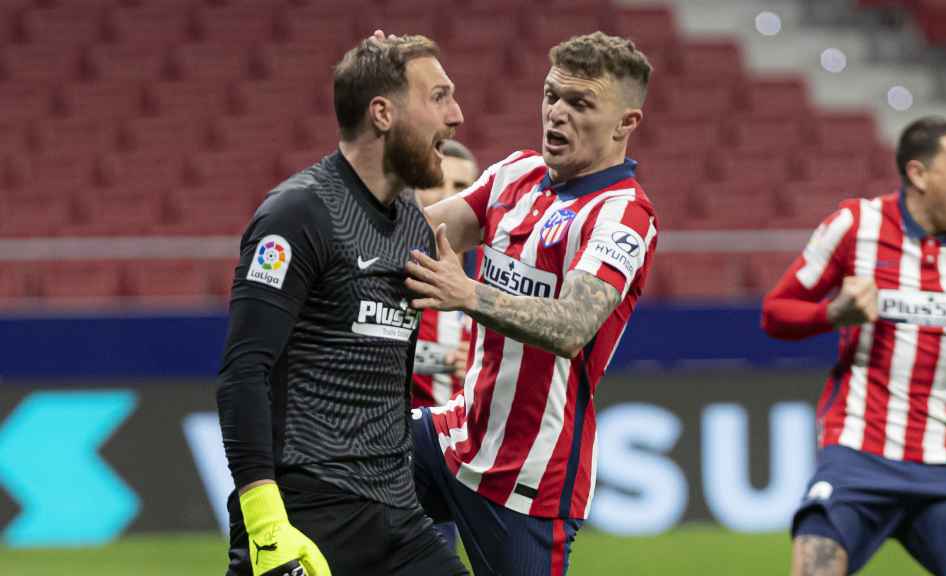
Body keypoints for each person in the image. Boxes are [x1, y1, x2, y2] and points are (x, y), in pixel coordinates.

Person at [404, 31, 658, 575]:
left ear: (625, 124)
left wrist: (466, 293)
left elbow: (572, 325)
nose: (556, 114)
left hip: (529, 484)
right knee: (320, 473)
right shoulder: (514, 175)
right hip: (454, 436)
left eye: (580, 103)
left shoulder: (623, 216)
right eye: (551, 96)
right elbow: (411, 239)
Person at [215, 34, 468, 576]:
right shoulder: (299, 214)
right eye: (439, 96)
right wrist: (266, 525)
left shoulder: (414, 228)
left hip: (398, 515)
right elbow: (244, 371)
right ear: (382, 113)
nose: (457, 116)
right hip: (306, 512)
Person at [762, 116, 946, 576]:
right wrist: (832, 313)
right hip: (858, 453)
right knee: (815, 565)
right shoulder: (855, 224)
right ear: (919, 174)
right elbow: (776, 312)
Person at [411, 139, 478, 552]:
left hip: (451, 480)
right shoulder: (389, 277)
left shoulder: (492, 288)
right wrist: (439, 359)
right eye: (438, 182)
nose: (451, 196)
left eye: (464, 187)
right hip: (383, 469)